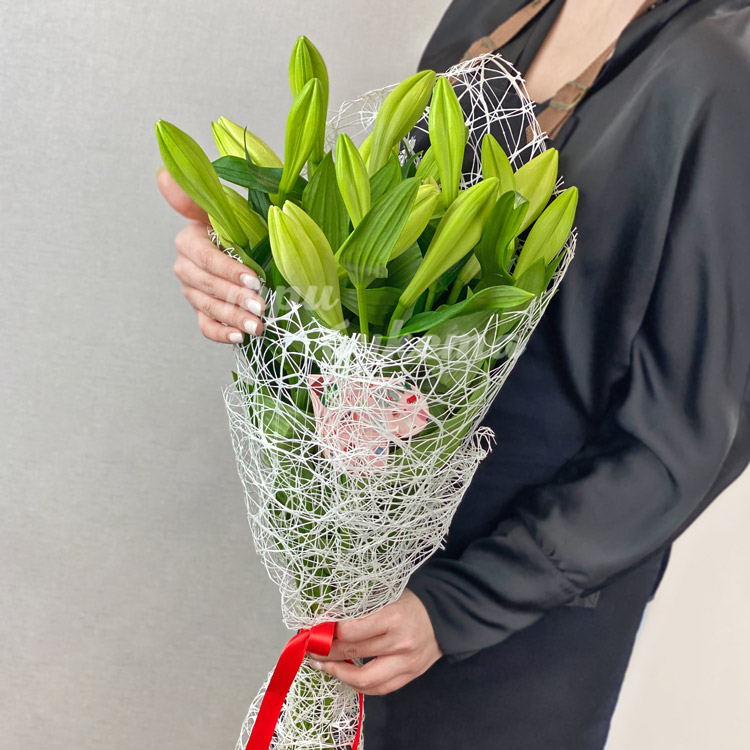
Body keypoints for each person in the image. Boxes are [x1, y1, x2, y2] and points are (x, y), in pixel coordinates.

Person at [155, 0, 750, 746]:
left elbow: (683, 440)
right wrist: (248, 276)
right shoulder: (492, 10)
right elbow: (380, 283)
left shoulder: (721, 72)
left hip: (518, 628)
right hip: (371, 567)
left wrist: (458, 605)